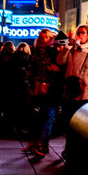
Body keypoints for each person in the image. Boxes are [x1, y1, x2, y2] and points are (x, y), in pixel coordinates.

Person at [26, 28, 64, 158]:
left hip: (52, 90)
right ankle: (37, 144)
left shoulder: (55, 51)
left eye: (46, 37)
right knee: (39, 118)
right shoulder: (36, 52)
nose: (43, 40)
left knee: (48, 118)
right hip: (38, 89)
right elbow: (31, 70)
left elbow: (61, 66)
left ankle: (42, 146)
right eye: (41, 37)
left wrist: (54, 69)